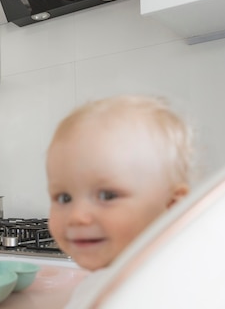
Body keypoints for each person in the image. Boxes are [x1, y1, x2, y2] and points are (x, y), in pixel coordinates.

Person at [45, 95, 193, 307]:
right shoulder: (110, 281)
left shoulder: (156, 294)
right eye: (64, 197)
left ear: (173, 207)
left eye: (107, 195)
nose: (77, 216)